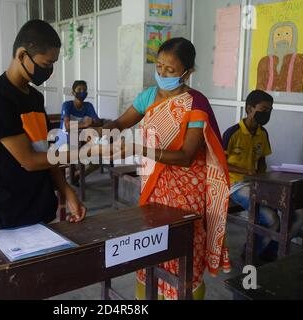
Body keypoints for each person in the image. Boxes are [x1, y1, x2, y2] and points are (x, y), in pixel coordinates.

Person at [98, 38, 230, 300]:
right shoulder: (148, 95)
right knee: (151, 250)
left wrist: (138, 149)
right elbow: (121, 122)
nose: (162, 74)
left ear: (188, 71)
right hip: (154, 186)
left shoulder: (196, 103)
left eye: (170, 70)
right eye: (158, 67)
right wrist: (99, 131)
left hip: (188, 191)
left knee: (184, 252)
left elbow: (186, 156)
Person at [0, 20, 86, 231]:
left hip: (42, 206)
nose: (50, 72)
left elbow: (46, 152)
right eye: (46, 64)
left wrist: (66, 190)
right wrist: (80, 153)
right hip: (9, 212)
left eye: (53, 64)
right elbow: (29, 161)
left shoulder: (35, 98)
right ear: (21, 55)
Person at [223, 90, 303, 262]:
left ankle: (271, 251)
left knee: (300, 214)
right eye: (263, 109)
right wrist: (246, 172)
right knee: (270, 219)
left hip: (255, 182)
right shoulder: (232, 133)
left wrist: (263, 176)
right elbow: (218, 163)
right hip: (235, 185)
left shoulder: (263, 133)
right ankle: (249, 255)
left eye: (270, 110)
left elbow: (262, 160)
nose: (266, 113)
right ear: (249, 108)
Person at [56, 80, 103, 183]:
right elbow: (67, 126)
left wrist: (92, 123)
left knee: (96, 161)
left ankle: (76, 176)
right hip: (65, 141)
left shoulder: (88, 106)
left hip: (81, 141)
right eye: (79, 90)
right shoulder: (67, 105)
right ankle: (70, 177)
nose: (82, 92)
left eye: (84, 90)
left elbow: (98, 122)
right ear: (73, 93)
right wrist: (85, 124)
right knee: (74, 159)